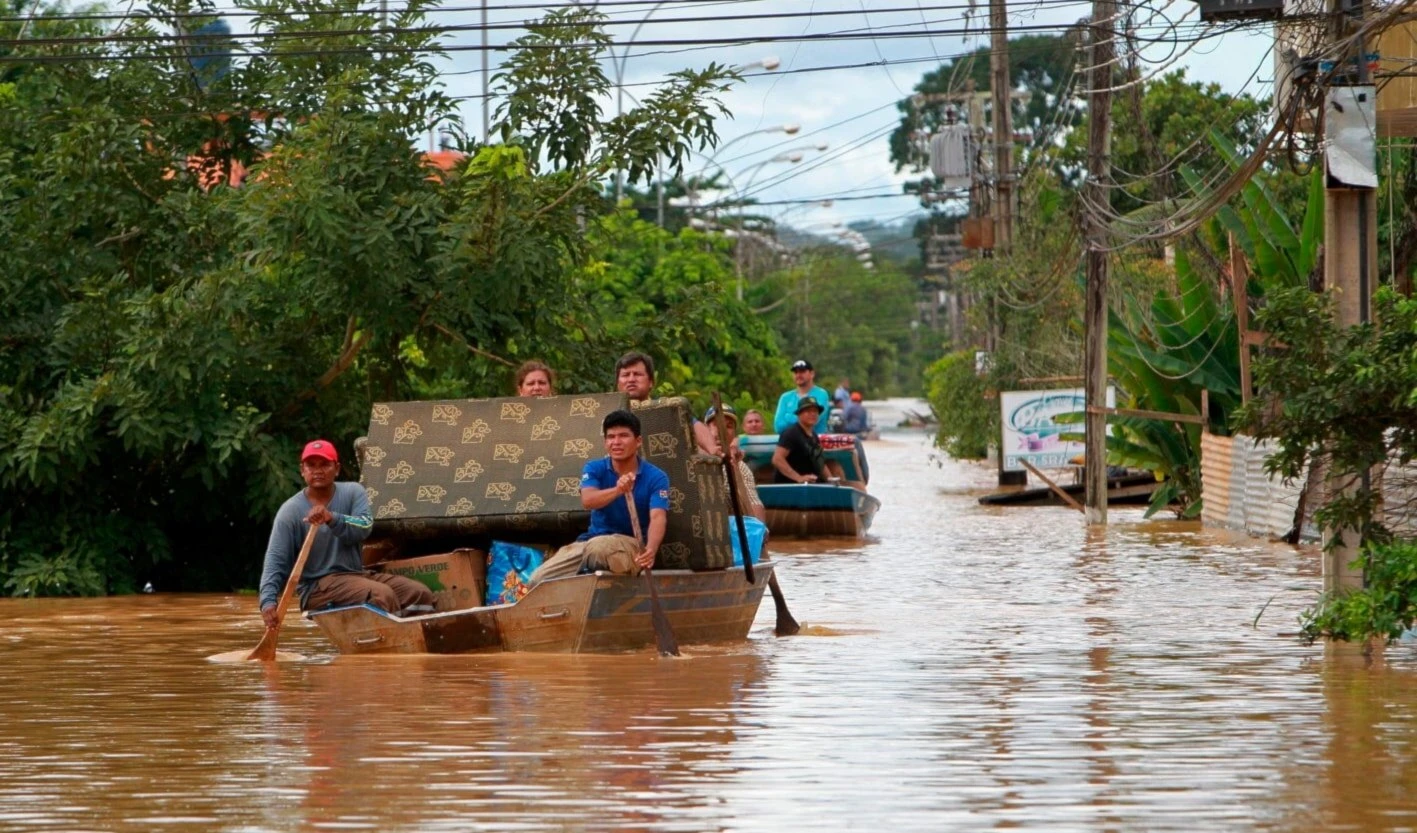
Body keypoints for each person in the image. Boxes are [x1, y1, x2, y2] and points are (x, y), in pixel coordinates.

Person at [258, 440, 435, 624]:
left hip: (355, 575)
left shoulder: (353, 492)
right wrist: (268, 601)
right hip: (318, 587)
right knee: (381, 595)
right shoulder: (290, 511)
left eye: (325, 464)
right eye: (311, 465)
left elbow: (364, 526)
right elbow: (276, 560)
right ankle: (383, 645)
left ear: (337, 469)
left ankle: (416, 643)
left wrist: (332, 518)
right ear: (302, 470)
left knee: (419, 594)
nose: (318, 470)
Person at [529, 410, 671, 584]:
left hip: (630, 545)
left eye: (623, 436)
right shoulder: (594, 468)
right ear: (605, 442)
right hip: (590, 542)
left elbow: (658, 517)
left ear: (638, 441)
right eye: (611, 437)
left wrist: (651, 549)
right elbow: (588, 500)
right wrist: (618, 490)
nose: (616, 442)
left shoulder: (656, 477)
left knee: (598, 549)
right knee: (537, 580)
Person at [615, 350, 727, 458]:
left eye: (637, 374)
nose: (631, 379)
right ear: (618, 383)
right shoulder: (607, 414)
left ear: (651, 382)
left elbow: (694, 425)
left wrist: (712, 448)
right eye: (625, 375)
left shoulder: (667, 409)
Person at [702, 404, 767, 522]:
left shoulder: (740, 466)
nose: (722, 430)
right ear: (705, 429)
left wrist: (760, 529)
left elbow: (753, 503)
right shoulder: (692, 457)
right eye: (717, 425)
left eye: (728, 426)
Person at [772, 399, 830, 484]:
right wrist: (798, 478)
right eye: (808, 411)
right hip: (790, 487)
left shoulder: (814, 435)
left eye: (815, 411)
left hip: (811, 485)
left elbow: (820, 463)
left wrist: (832, 480)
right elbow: (777, 459)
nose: (813, 414)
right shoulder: (791, 433)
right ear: (799, 414)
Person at [772, 359, 831, 434]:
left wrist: (788, 417)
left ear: (812, 374)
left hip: (814, 442)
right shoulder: (785, 397)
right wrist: (802, 419)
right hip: (791, 443)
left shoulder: (821, 394)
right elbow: (778, 427)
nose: (798, 375)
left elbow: (813, 421)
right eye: (796, 372)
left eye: (802, 371)